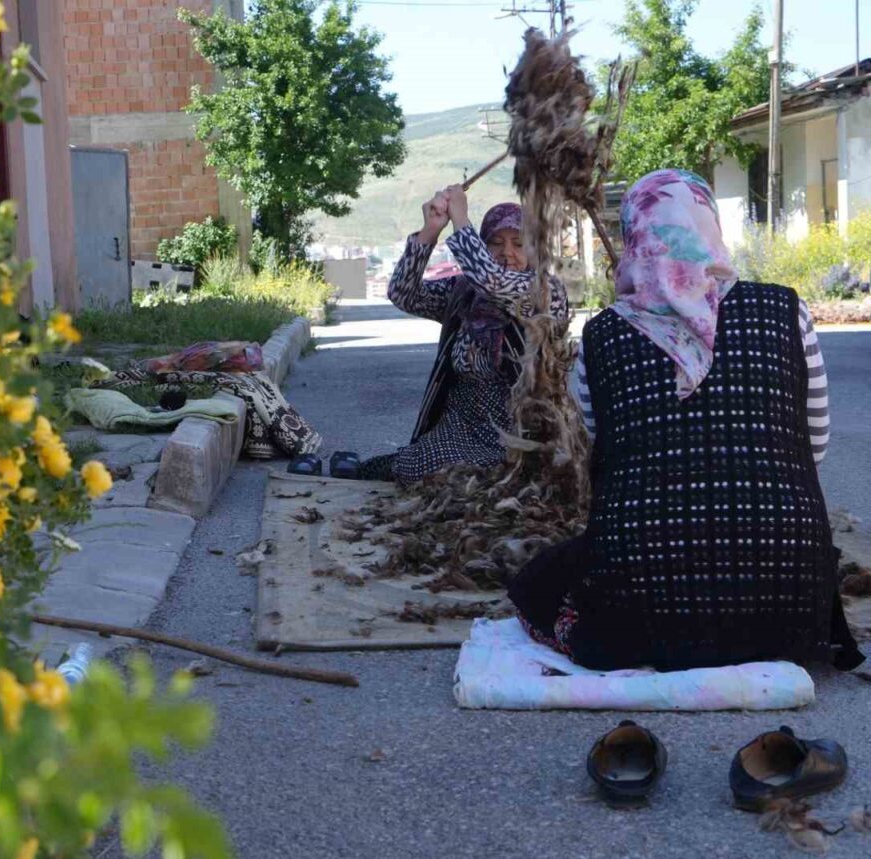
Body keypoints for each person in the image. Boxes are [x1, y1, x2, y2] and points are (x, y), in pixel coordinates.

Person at [508, 169, 863, 672]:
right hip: (788, 592)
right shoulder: (786, 311)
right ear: (708, 226)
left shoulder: (603, 335)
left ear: (635, 236)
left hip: (645, 591)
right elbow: (814, 449)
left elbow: (603, 450)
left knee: (539, 582)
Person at [350, 186, 568, 482]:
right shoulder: (464, 291)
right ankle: (395, 463)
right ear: (483, 245)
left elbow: (494, 281)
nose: (507, 253)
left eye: (518, 243)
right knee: (425, 469)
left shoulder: (545, 291)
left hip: (523, 433)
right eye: (495, 243)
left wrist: (460, 218)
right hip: (461, 426)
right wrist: (430, 231)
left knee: (504, 479)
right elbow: (403, 294)